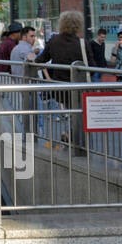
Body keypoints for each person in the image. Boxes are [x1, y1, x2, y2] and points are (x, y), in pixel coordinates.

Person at [35, 10, 89, 155]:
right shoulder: (82, 43)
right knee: (80, 113)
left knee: (70, 112)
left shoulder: (54, 41)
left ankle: (70, 135)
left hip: (60, 87)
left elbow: (40, 60)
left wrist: (31, 58)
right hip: (80, 86)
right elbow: (93, 65)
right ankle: (77, 142)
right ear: (78, 25)